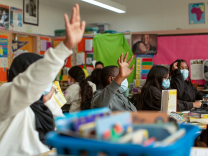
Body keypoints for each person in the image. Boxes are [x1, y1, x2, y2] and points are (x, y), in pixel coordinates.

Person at [0, 4, 85, 156]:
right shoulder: (6, 95)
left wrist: (49, 103)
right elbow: (27, 86)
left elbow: (63, 129)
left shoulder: (42, 105)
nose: (46, 82)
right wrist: (65, 48)